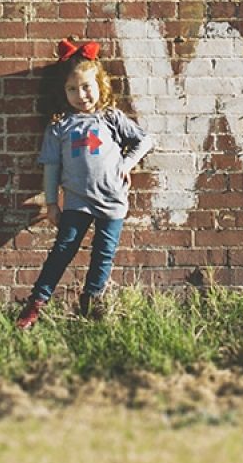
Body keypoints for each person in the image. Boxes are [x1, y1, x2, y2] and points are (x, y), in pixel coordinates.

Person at [16, 38, 153, 329]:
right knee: (63, 250)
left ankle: (90, 304)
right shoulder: (59, 126)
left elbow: (145, 140)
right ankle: (36, 303)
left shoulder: (111, 118)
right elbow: (51, 167)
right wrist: (52, 203)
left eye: (87, 86)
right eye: (72, 89)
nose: (81, 95)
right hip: (77, 200)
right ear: (63, 92)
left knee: (103, 254)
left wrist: (127, 164)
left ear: (100, 84)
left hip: (113, 200)